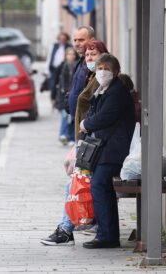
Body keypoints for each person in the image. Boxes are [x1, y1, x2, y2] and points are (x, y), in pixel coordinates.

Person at [41, 39, 108, 246]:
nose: (89, 58)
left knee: (74, 183)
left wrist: (86, 128)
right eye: (87, 55)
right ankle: (73, 225)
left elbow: (102, 115)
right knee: (73, 180)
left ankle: (66, 229)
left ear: (103, 56)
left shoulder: (104, 81)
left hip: (97, 145)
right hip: (87, 140)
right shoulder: (91, 76)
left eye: (93, 54)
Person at [80, 54, 135, 249]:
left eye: (107, 68)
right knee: (102, 188)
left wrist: (85, 124)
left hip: (114, 149)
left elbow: (105, 117)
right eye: (100, 67)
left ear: (116, 72)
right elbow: (95, 111)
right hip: (106, 147)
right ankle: (106, 233)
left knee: (99, 186)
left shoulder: (117, 91)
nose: (102, 71)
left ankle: (107, 236)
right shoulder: (102, 89)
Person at [66, 26, 96, 116]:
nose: (76, 44)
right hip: (77, 118)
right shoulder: (80, 61)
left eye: (81, 40)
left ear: (92, 40)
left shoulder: (96, 63)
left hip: (88, 121)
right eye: (75, 40)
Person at [51, 47, 78, 145]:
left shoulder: (78, 66)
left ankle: (70, 137)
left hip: (73, 95)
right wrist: (53, 96)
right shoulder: (62, 66)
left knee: (71, 117)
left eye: (73, 54)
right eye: (69, 54)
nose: (71, 56)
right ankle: (63, 135)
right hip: (63, 96)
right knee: (64, 115)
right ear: (65, 56)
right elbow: (55, 82)